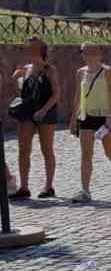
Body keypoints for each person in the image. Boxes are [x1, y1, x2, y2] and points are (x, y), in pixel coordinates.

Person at [69, 43, 111, 203]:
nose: (85, 55)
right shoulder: (80, 73)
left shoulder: (107, 72)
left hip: (106, 116)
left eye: (89, 51)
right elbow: (78, 96)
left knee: (109, 152)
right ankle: (85, 190)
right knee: (86, 154)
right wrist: (73, 118)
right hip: (87, 116)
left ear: (98, 54)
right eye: (82, 51)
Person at [9, 36, 60, 199]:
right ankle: (24, 187)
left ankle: (49, 186)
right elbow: (21, 95)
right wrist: (15, 79)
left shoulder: (50, 69)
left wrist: (44, 110)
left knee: (47, 149)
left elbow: (57, 94)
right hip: (27, 112)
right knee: (23, 150)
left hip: (46, 111)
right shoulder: (26, 68)